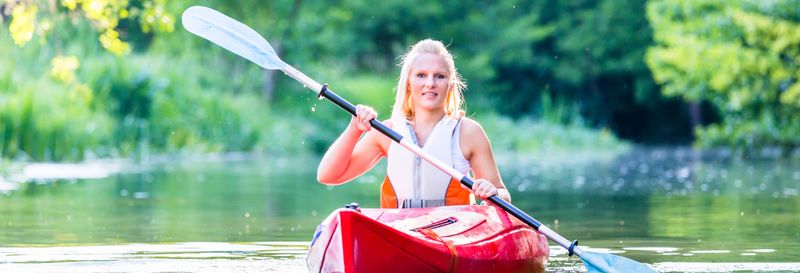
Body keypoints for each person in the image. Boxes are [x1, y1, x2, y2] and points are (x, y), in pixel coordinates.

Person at [317, 39, 510, 208]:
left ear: (450, 84)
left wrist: (492, 193)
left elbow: (504, 196)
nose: (430, 83)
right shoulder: (386, 131)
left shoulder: (468, 132)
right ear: (408, 82)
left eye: (439, 76)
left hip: (453, 232)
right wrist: (354, 130)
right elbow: (328, 176)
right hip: (399, 229)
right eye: (421, 75)